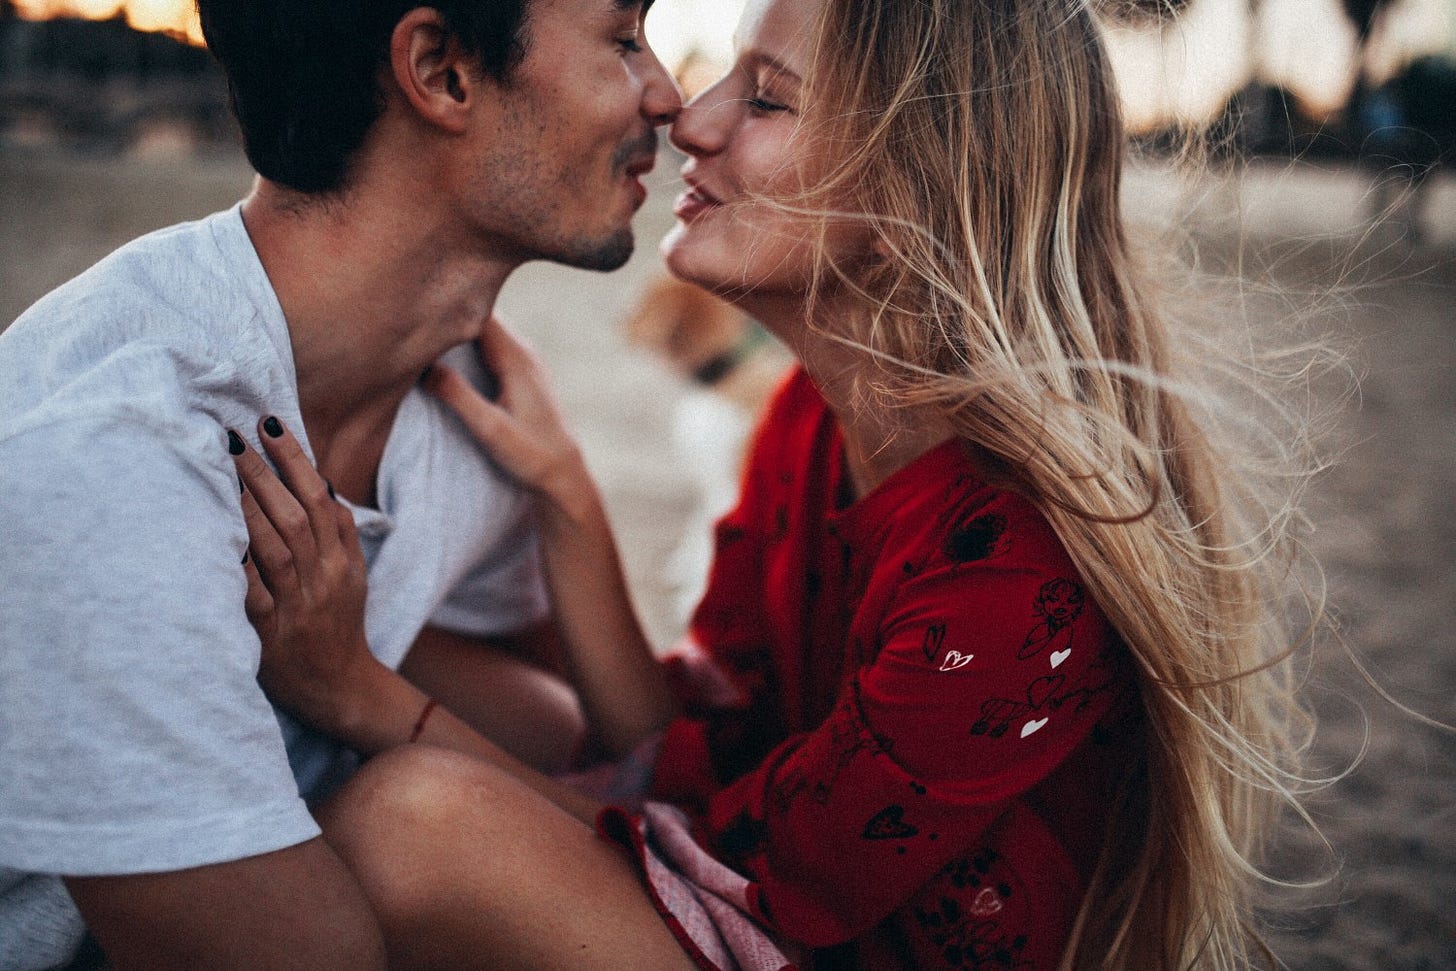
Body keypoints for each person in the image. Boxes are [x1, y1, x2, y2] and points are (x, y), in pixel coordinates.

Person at [231, 0, 1319, 968]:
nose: (688, 119)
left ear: (917, 188)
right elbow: (697, 750)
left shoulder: (1016, 561)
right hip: (762, 897)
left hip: (797, 915)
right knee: (445, 664)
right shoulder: (810, 420)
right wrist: (566, 498)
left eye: (765, 99)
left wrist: (360, 700)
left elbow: (742, 859)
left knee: (415, 820)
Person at [0, 1, 682, 968]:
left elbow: (594, 748)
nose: (668, 95)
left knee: (539, 725)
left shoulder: (476, 401)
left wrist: (566, 494)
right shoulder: (115, 459)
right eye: (623, 40)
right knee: (429, 818)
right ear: (442, 70)